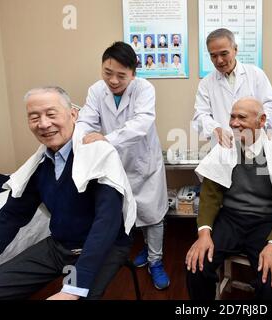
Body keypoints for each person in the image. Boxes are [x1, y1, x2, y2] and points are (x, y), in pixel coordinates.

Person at [0, 86, 135, 300]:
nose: (43, 124)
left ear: (73, 114)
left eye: (51, 114)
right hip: (60, 245)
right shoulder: (40, 164)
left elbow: (106, 222)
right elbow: (11, 216)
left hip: (103, 247)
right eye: (34, 117)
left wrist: (73, 289)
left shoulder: (98, 154)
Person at [186, 97, 272, 300]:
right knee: (197, 266)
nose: (234, 123)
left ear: (262, 120)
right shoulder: (225, 148)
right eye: (232, 117)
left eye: (241, 117)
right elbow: (210, 194)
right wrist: (204, 234)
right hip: (230, 219)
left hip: (265, 222)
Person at [75, 42, 170, 290]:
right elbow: (86, 120)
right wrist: (80, 139)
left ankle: (155, 261)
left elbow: (141, 123)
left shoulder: (144, 88)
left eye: (121, 75)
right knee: (125, 211)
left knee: (152, 214)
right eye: (108, 72)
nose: (113, 80)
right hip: (115, 163)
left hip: (143, 161)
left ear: (133, 73)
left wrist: (106, 138)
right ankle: (146, 251)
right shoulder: (96, 90)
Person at [192, 28, 272, 148]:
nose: (219, 60)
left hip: (256, 144)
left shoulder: (255, 74)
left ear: (235, 50)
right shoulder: (206, 83)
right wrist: (215, 129)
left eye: (224, 54)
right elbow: (200, 116)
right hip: (223, 148)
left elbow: (271, 106)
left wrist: (258, 126)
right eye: (213, 56)